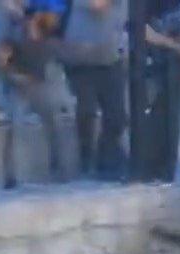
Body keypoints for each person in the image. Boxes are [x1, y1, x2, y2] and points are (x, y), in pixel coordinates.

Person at [0, 4, 66, 188]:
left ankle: (58, 168)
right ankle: (10, 176)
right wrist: (13, 76)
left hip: (41, 86)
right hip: (21, 87)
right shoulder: (14, 37)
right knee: (15, 126)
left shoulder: (48, 33)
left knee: (55, 121)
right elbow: (0, 62)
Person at [59, 0, 128, 178]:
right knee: (86, 111)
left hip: (109, 59)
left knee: (117, 115)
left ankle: (107, 158)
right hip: (80, 59)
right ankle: (87, 159)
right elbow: (97, 5)